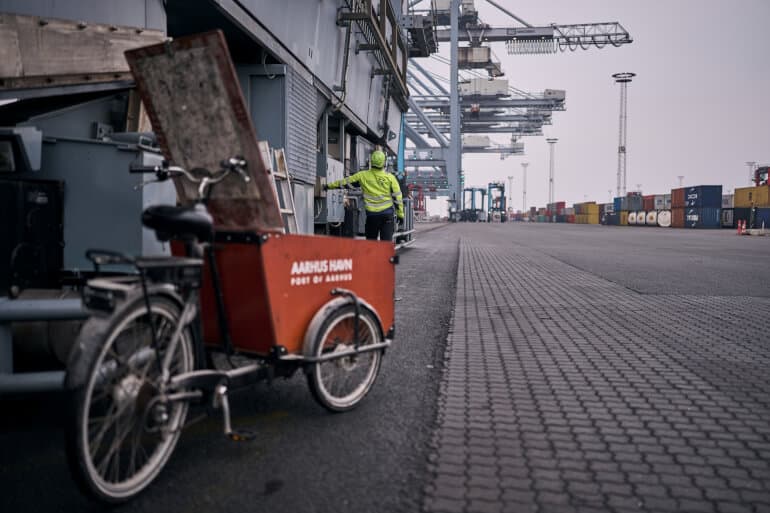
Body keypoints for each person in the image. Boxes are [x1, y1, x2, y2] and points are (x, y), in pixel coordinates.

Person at [324, 149, 403, 241]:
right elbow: (397, 197)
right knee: (386, 245)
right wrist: (400, 214)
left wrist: (328, 186)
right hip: (387, 216)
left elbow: (344, 183)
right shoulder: (390, 178)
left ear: (371, 161)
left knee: (370, 244)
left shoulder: (362, 176)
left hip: (372, 216)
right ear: (384, 163)